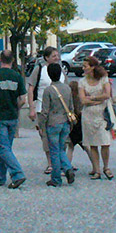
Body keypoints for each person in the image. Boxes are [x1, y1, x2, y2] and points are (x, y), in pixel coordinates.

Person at [0, 49, 27, 189]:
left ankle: (17, 174)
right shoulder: (17, 76)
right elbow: (23, 99)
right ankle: (0, 177)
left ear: (0, 60)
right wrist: (16, 107)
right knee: (6, 147)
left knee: (3, 148)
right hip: (12, 116)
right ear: (13, 60)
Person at [27, 46, 65, 175]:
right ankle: (50, 163)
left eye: (57, 55)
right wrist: (31, 107)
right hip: (42, 108)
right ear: (46, 58)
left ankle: (61, 162)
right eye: (53, 56)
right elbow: (31, 88)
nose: (57, 58)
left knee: (62, 138)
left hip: (61, 110)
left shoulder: (61, 70)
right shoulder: (39, 70)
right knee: (46, 138)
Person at [38, 63, 76, 187]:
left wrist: (41, 126)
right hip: (65, 121)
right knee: (61, 149)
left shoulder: (48, 90)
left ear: (49, 75)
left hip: (53, 123)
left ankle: (56, 178)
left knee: (54, 151)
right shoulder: (67, 88)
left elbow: (45, 111)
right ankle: (68, 168)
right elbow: (71, 107)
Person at [78, 56, 114, 179]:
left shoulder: (103, 78)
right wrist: (97, 100)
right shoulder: (82, 82)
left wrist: (92, 98)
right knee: (92, 143)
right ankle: (97, 169)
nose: (83, 68)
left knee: (105, 142)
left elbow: (107, 94)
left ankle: (106, 167)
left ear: (92, 67)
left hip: (102, 114)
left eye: (85, 66)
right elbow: (82, 100)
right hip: (88, 115)